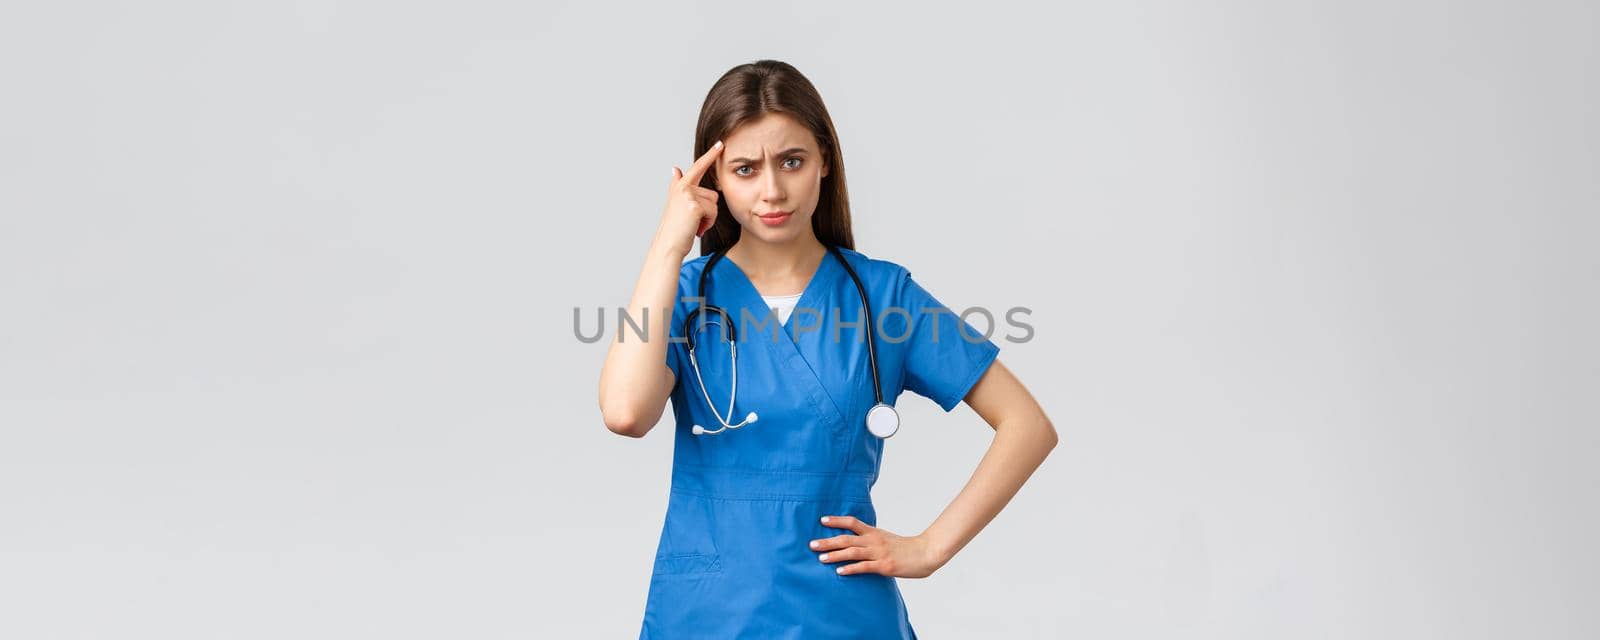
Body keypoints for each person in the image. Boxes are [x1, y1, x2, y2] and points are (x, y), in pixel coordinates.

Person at [598, 59, 1058, 639]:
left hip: (842, 614)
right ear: (714, 183)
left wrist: (929, 548)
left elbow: (1027, 424)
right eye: (744, 169)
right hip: (709, 613)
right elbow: (624, 412)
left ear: (824, 163)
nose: (772, 190)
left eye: (791, 161)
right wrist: (669, 245)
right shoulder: (684, 295)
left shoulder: (883, 297)